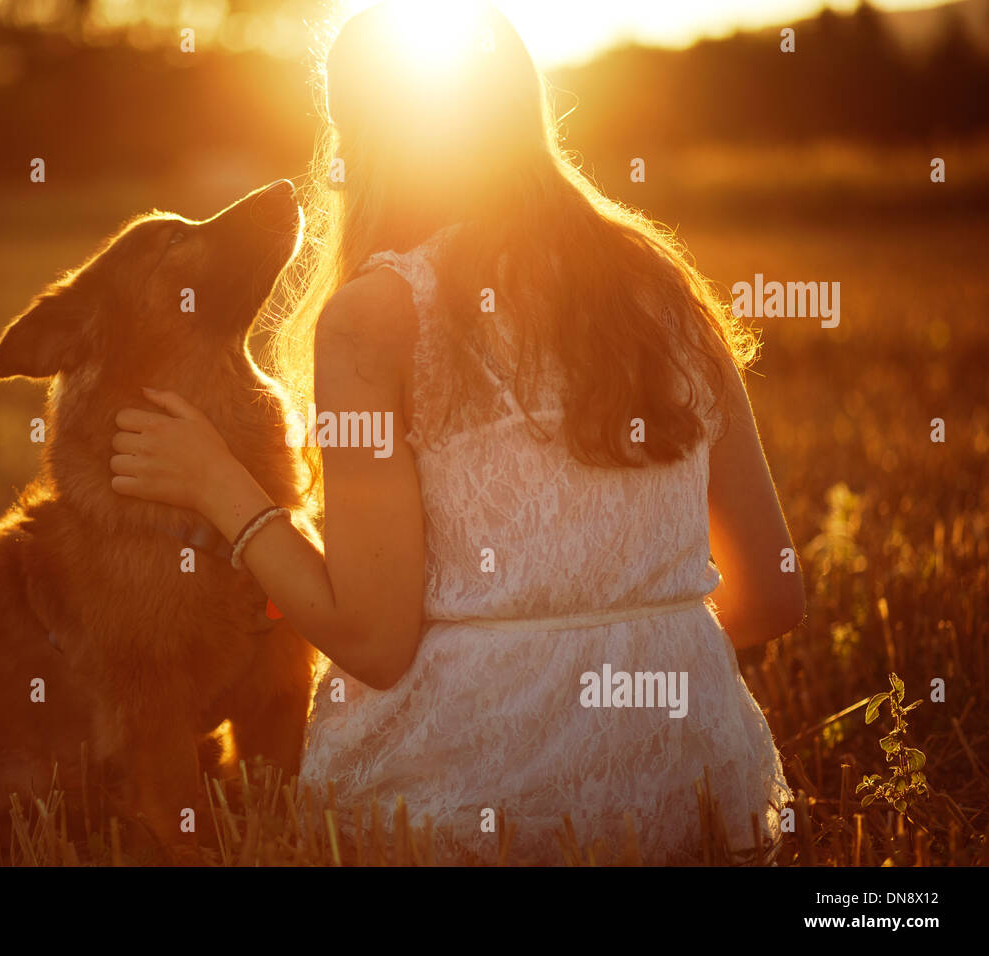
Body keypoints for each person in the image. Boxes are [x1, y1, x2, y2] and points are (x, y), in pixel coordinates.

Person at [108, 0, 803, 864]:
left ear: (356, 137)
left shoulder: (376, 316)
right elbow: (773, 598)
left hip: (468, 800)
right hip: (695, 795)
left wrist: (216, 483)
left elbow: (375, 640)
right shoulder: (665, 288)